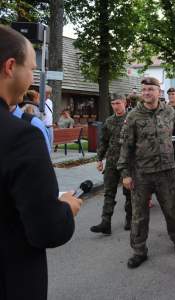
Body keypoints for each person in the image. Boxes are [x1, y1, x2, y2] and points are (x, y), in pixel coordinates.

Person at [0, 24, 82, 300]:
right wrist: (66, 209)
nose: (33, 77)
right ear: (10, 67)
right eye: (32, 69)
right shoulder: (21, 137)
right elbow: (47, 230)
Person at [118, 77, 175, 269]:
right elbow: (126, 147)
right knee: (140, 215)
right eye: (144, 89)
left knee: (172, 210)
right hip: (142, 174)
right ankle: (139, 251)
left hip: (166, 172)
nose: (146, 93)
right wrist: (125, 174)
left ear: (158, 92)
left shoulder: (168, 111)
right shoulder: (134, 116)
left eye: (151, 89)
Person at [90, 94, 133, 234]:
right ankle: (105, 222)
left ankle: (130, 218)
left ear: (125, 103)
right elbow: (103, 142)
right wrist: (99, 159)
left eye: (118, 103)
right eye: (113, 103)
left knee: (129, 192)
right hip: (112, 162)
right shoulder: (109, 121)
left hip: (127, 163)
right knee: (109, 192)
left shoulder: (132, 119)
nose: (115, 106)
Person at [43, 85, 54, 149]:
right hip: (42, 127)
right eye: (47, 93)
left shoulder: (50, 102)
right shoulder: (38, 101)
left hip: (50, 127)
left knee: (50, 145)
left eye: (50, 93)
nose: (49, 95)